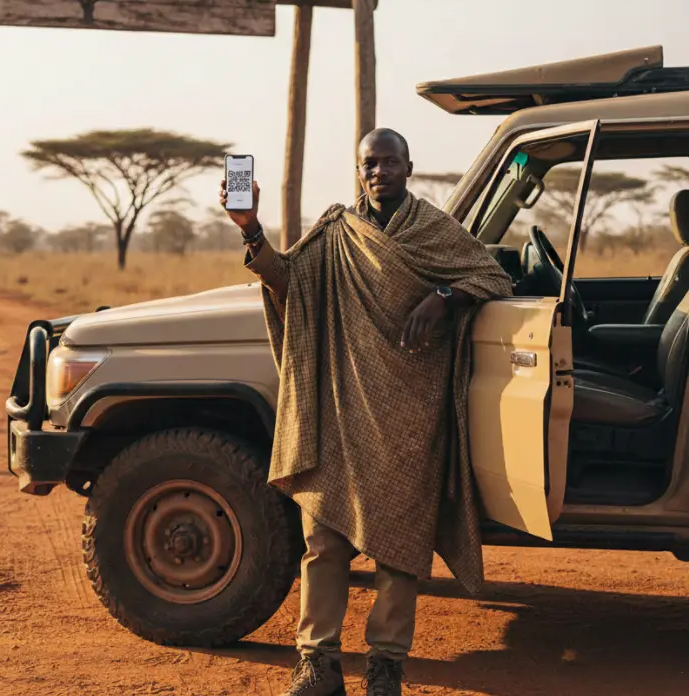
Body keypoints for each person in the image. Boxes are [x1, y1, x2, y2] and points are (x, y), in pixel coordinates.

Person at [219, 128, 513, 696]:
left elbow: (491, 277)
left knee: (399, 547)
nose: (378, 172)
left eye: (389, 162)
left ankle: (386, 665)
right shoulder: (337, 232)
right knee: (324, 541)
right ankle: (318, 663)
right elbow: (287, 281)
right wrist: (250, 228)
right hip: (340, 406)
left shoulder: (433, 230)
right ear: (359, 171)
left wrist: (443, 297)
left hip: (409, 413)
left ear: (409, 167)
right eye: (368, 163)